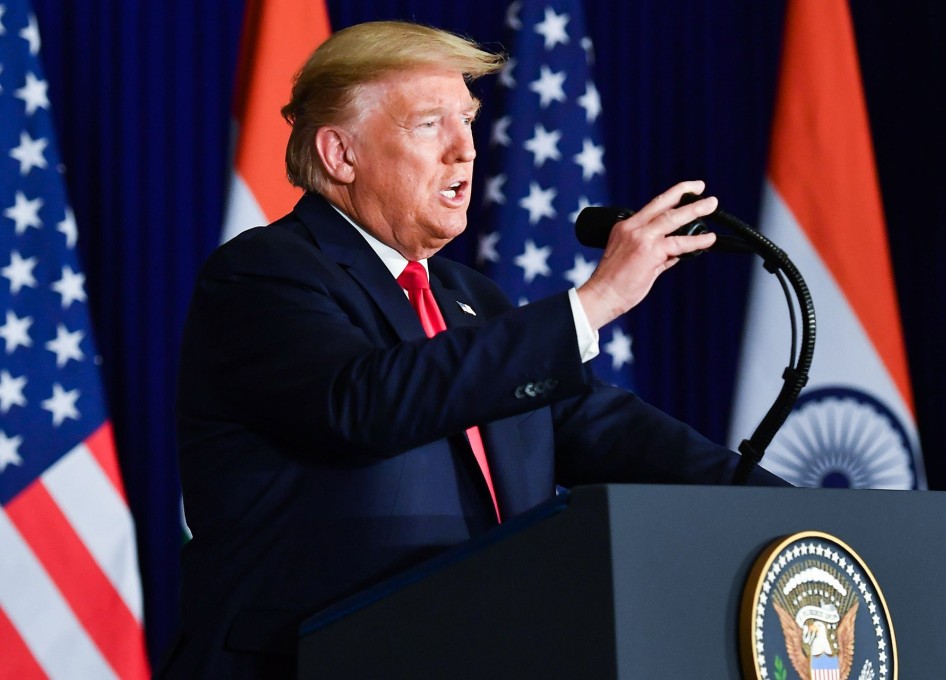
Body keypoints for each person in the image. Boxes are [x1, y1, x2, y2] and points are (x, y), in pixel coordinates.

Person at [160, 20, 786, 679]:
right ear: (341, 154)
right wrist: (594, 302)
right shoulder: (262, 274)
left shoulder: (470, 299)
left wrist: (787, 509)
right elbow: (363, 402)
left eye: (467, 120)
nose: (464, 150)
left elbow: (609, 430)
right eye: (430, 124)